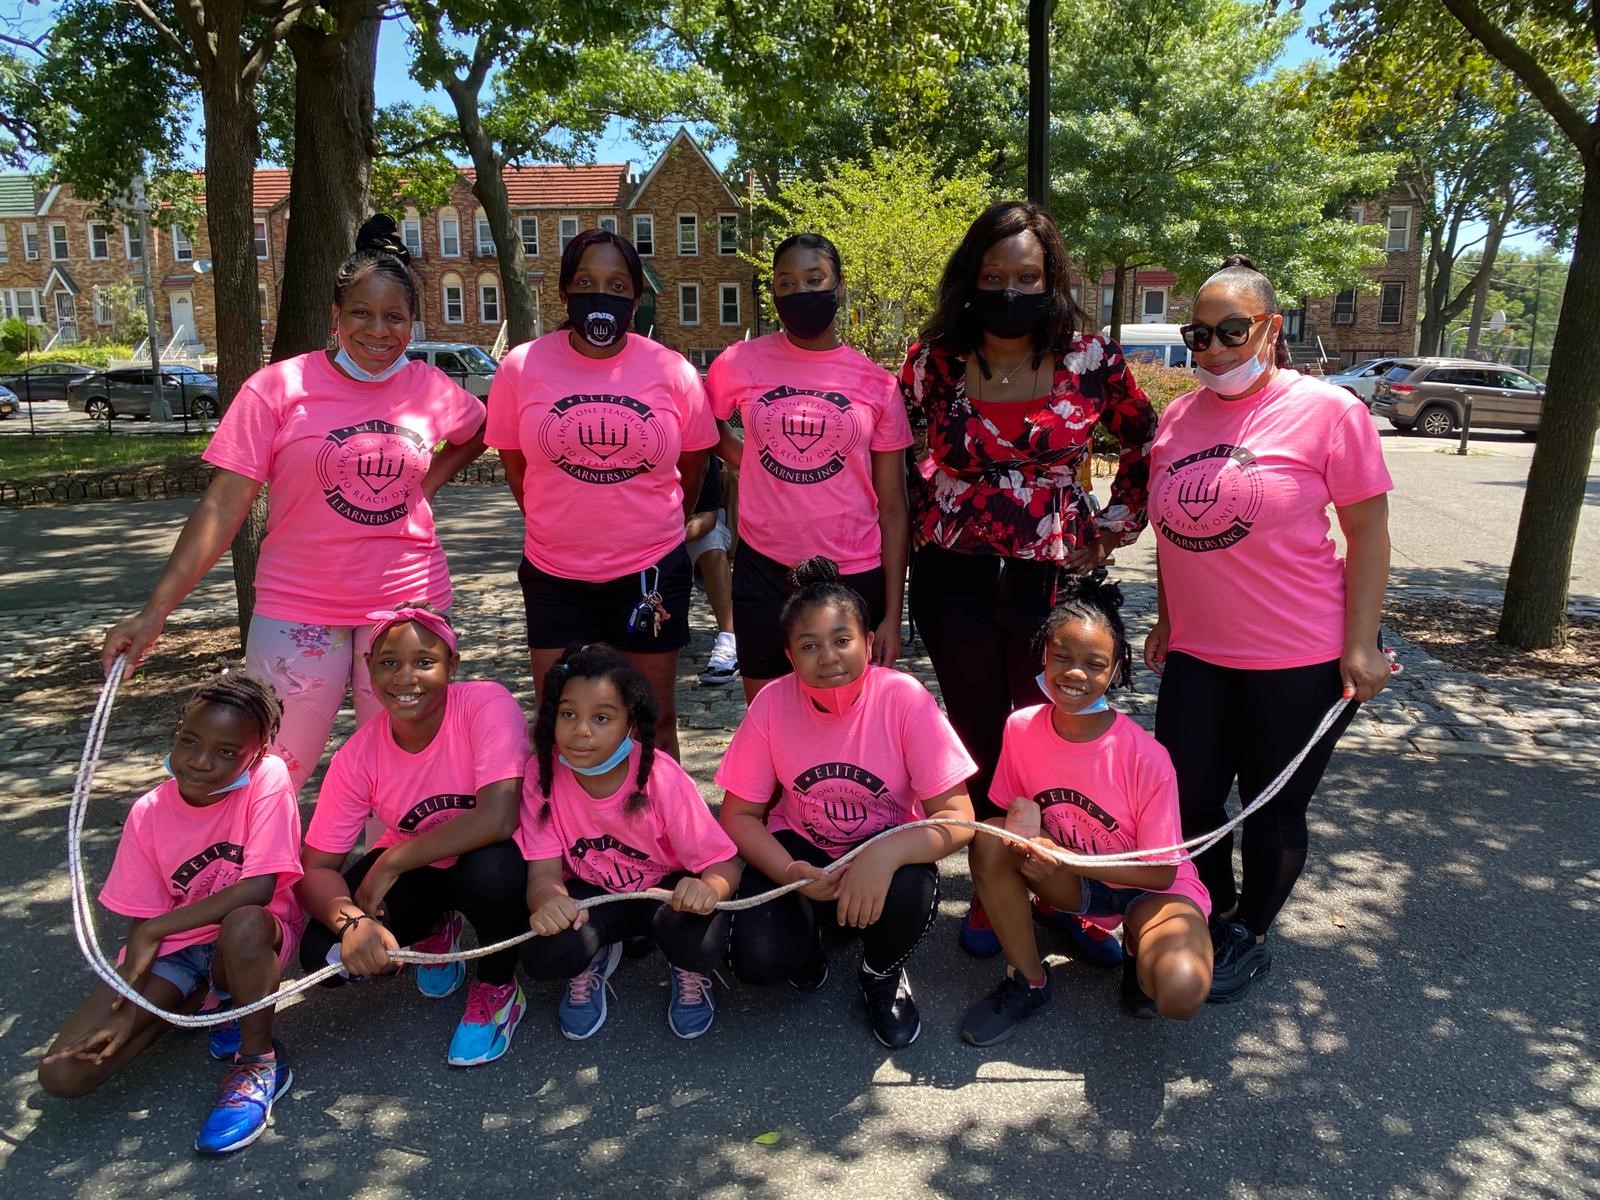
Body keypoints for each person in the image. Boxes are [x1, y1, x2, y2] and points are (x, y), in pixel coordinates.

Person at [100, 215, 487, 790]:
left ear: (412, 322)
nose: (379, 331)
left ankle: (389, 878)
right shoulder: (278, 388)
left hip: (407, 604)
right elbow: (222, 507)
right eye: (361, 313)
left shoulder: (432, 388)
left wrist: (426, 484)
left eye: (395, 318)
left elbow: (478, 429)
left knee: (406, 776)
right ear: (335, 318)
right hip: (298, 606)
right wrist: (157, 610)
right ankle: (268, 879)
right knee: (275, 769)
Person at [898, 201, 1158, 962]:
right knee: (980, 734)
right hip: (953, 573)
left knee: (1052, 733)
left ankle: (1059, 887)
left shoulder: (1089, 358)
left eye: (1027, 275)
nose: (1010, 287)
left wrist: (1112, 526)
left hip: (1051, 573)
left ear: (1052, 277)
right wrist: (926, 512)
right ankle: (992, 881)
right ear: (969, 277)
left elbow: (1145, 439)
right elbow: (895, 449)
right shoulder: (933, 358)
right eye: (993, 275)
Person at [1146, 254, 1393, 1004]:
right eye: (1199, 335)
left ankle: (1251, 929)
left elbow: (1370, 534)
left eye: (1230, 331)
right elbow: (1170, 528)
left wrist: (1362, 641)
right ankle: (1217, 909)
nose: (1213, 350)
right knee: (1185, 801)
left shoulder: (1326, 411)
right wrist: (1165, 617)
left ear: (1269, 327)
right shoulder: (1178, 417)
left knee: (1270, 808)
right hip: (1198, 653)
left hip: (1300, 656)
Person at [717, 558, 976, 1048]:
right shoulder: (771, 704)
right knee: (759, 961)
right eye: (809, 646)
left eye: (842, 640)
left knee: (911, 886)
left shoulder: (904, 698)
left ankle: (880, 973)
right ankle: (808, 943)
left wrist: (886, 855)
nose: (829, 658)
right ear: (791, 657)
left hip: (885, 847)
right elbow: (739, 815)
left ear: (870, 644)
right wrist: (791, 871)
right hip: (802, 848)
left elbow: (960, 819)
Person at [39, 676, 303, 1155]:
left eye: (227, 752)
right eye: (190, 742)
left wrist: (159, 930)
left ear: (257, 752)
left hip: (248, 940)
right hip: (178, 952)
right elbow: (143, 921)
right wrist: (129, 1008)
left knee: (242, 922)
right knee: (62, 1073)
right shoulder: (147, 812)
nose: (201, 762)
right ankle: (190, 1007)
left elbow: (259, 888)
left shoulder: (270, 778)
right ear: (178, 730)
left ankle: (258, 1060)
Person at [488, 229, 717, 758]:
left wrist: (644, 527)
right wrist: (563, 522)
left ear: (636, 297)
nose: (601, 295)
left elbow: (693, 464)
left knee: (652, 725)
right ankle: (567, 837)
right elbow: (519, 469)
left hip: (648, 572)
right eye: (586, 281)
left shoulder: (672, 370)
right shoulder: (522, 367)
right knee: (562, 728)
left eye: (616, 284)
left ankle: (661, 834)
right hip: (555, 575)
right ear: (565, 290)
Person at [958, 578, 1212, 1046]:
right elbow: (1019, 809)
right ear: (1042, 656)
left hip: (1147, 890)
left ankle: (1139, 950)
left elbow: (1159, 874)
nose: (1075, 673)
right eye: (1062, 658)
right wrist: (1030, 845)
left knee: (1178, 991)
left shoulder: (1145, 757)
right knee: (990, 837)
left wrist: (1066, 860)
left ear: (1114, 671)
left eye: (1093, 664)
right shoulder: (1020, 727)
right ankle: (1028, 982)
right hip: (1069, 880)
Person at [296, 606, 530, 1066]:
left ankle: (499, 987)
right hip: (424, 866)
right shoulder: (358, 755)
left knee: (493, 871)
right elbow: (316, 868)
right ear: (368, 669)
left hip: (496, 858)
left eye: (424, 662)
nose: (405, 678)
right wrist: (353, 925)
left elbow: (498, 817)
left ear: (452, 665)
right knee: (321, 956)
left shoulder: (487, 705)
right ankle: (434, 928)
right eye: (388, 663)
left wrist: (393, 860)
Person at [706, 233, 912, 704]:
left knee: (844, 717)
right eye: (786, 282)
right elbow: (705, 427)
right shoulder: (739, 363)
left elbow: (894, 506)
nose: (801, 292)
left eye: (814, 279)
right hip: (763, 568)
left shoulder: (876, 384)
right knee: (769, 718)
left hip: (853, 572)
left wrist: (891, 614)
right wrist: (753, 460)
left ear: (838, 287)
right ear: (774, 293)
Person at [518, 644, 741, 1041]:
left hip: (666, 895)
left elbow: (724, 865)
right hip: (592, 898)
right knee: (546, 954)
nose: (581, 730)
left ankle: (685, 967)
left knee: (703, 941)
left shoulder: (660, 777)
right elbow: (543, 874)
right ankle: (595, 955)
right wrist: (549, 902)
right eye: (568, 714)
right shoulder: (542, 773)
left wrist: (708, 888)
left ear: (630, 725)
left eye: (601, 718)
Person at [686, 453, 739, 686]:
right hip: (641, 529)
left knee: (712, 543)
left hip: (688, 526)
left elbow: (708, 516)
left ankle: (729, 638)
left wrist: (670, 536)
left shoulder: (701, 457)